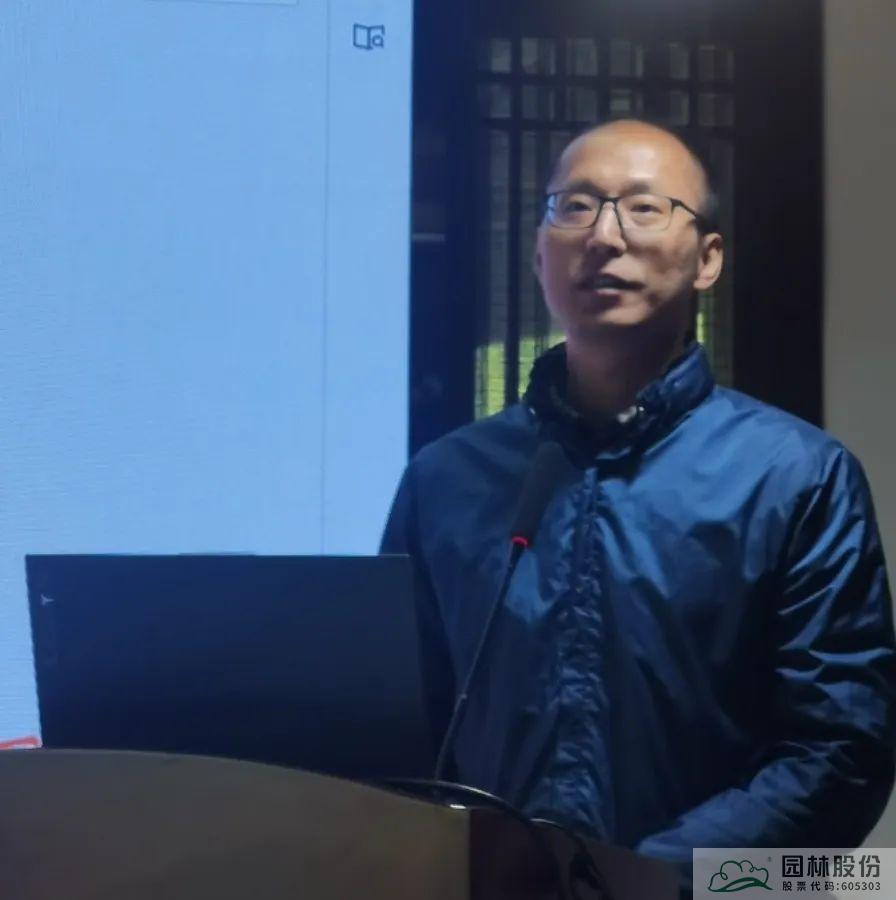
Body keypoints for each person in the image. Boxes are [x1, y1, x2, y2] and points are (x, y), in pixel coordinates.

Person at [381, 119, 896, 892]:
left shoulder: (796, 476)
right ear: (538, 254)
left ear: (708, 258)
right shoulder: (445, 480)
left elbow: (839, 753)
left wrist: (642, 880)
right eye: (575, 206)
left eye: (644, 208)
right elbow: (398, 728)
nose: (603, 236)